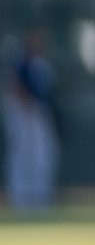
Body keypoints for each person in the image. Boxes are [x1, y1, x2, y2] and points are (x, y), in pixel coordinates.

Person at [6, 29, 60, 212]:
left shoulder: (42, 65)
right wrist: (27, 107)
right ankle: (20, 197)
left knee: (43, 154)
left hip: (40, 113)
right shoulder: (21, 63)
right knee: (22, 154)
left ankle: (40, 196)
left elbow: (47, 93)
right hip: (24, 113)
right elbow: (15, 86)